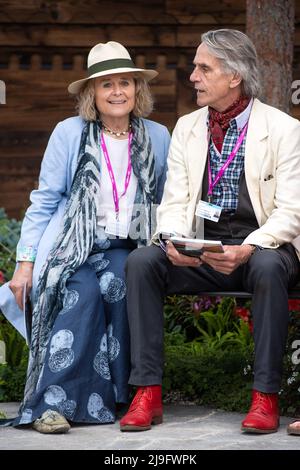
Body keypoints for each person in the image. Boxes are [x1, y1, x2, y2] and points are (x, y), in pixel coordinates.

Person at [120, 29, 300, 434]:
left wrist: (248, 248)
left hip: (261, 246)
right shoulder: (188, 126)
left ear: (234, 76)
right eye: (195, 67)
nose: (192, 76)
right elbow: (176, 201)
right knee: (142, 261)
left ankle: (265, 398)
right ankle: (147, 392)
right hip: (203, 246)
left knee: (270, 269)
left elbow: (291, 212)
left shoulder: (284, 129)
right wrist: (173, 242)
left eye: (204, 68)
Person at [0, 41, 170, 433]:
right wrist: (24, 265)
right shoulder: (70, 133)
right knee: (83, 294)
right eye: (105, 84)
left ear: (136, 89)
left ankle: (115, 398)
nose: (116, 92)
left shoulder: (158, 136)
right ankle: (51, 405)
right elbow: (43, 201)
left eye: (124, 82)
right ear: (91, 93)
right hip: (70, 246)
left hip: (124, 245)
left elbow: (166, 197)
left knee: (120, 285)